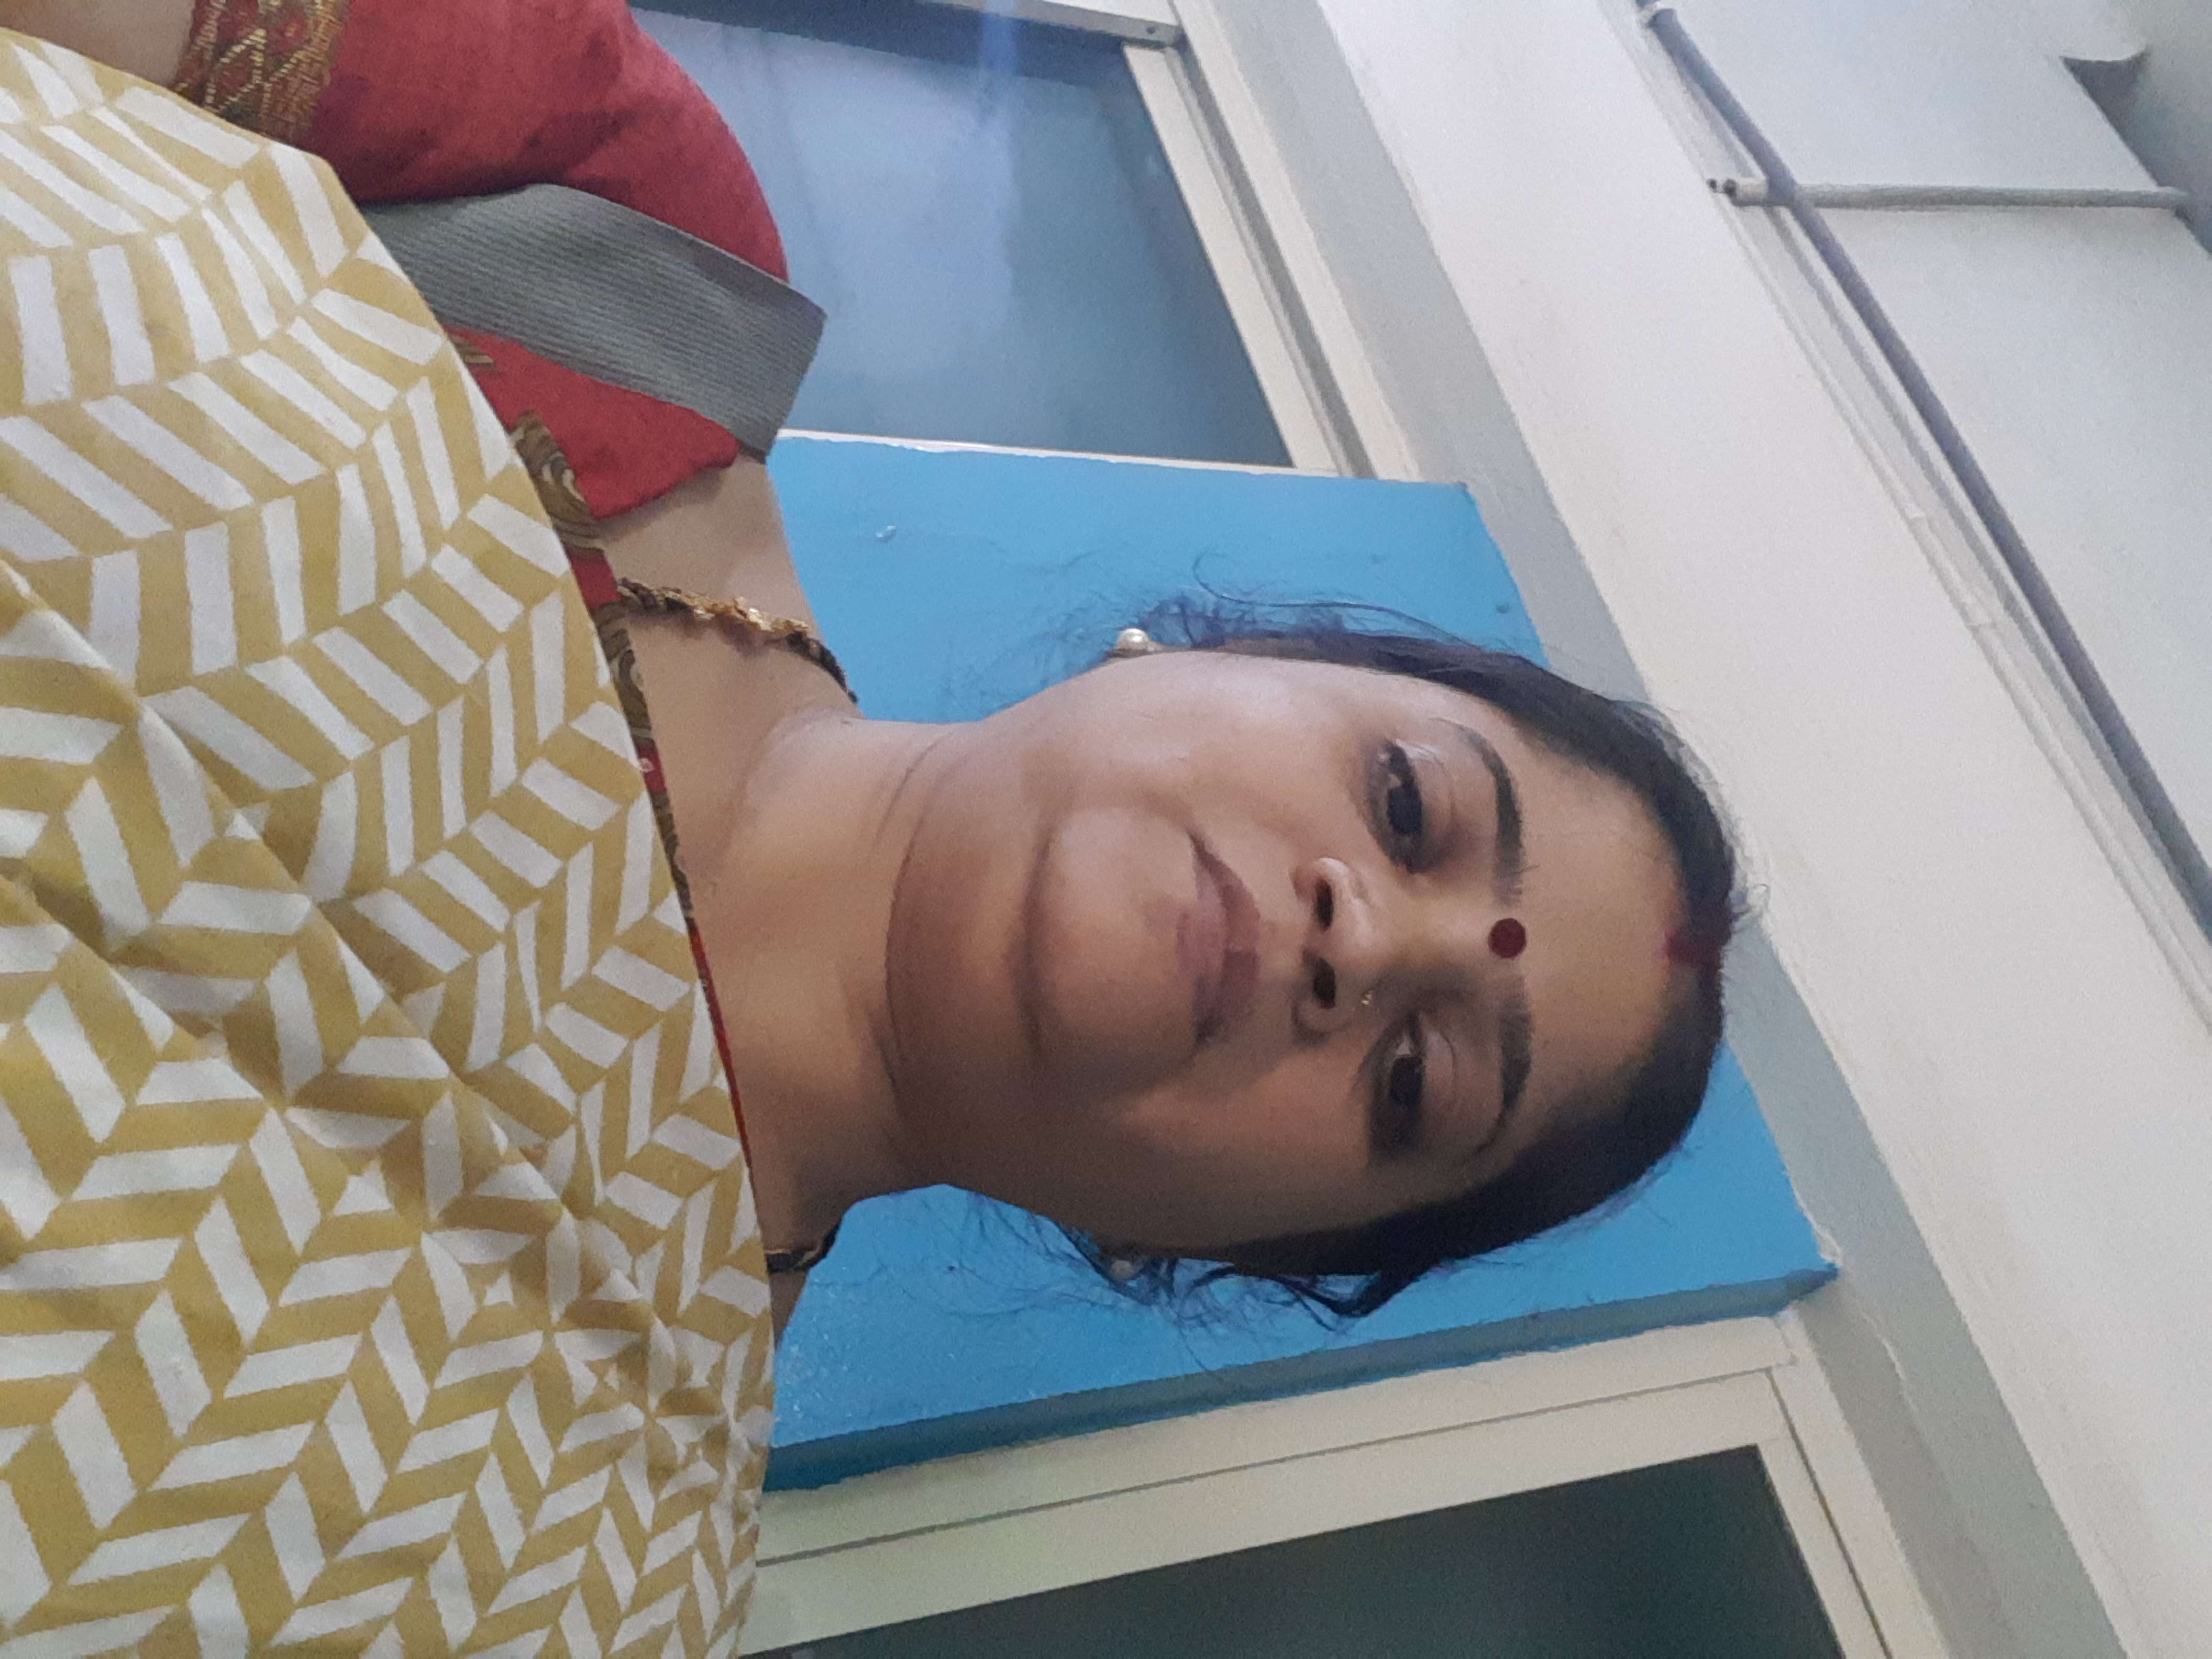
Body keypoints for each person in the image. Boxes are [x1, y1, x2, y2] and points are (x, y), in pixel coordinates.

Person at [0, 5, 1738, 1650]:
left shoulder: (578, 1566)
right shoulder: (630, 257)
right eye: (1411, 808)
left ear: (1227, 1251)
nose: (1363, 941)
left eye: (1419, 1080)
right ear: (1221, 652)